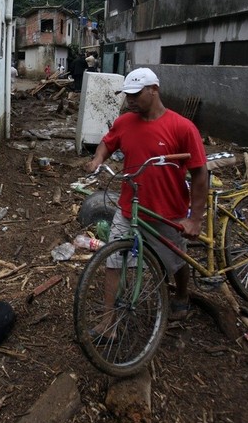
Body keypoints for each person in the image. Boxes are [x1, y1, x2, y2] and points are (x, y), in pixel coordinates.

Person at [85, 67, 207, 324]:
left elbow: (199, 173)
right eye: (127, 95)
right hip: (130, 207)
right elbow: (108, 142)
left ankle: (183, 294)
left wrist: (195, 218)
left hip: (168, 210)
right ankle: (109, 321)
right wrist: (98, 157)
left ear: (154, 91)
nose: (130, 100)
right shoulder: (124, 122)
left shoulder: (182, 128)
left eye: (136, 94)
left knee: (176, 260)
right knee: (114, 260)